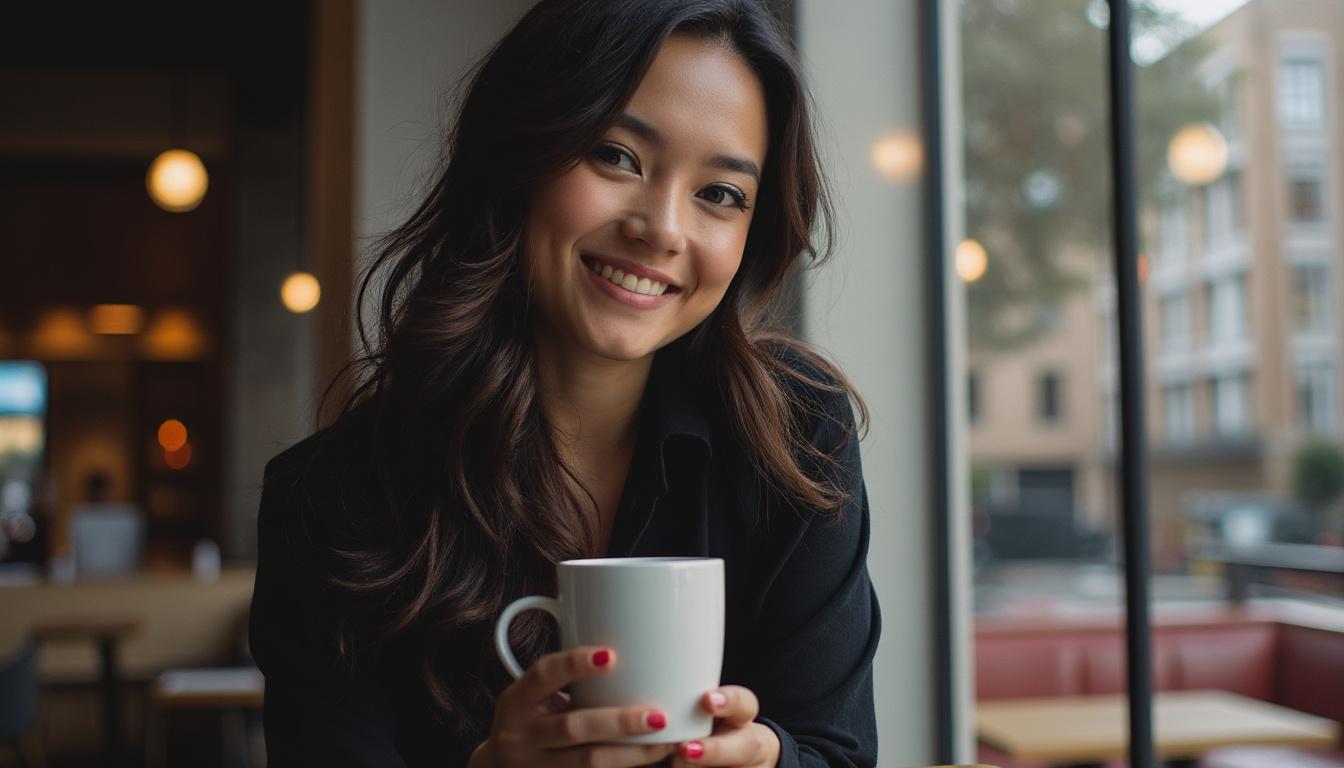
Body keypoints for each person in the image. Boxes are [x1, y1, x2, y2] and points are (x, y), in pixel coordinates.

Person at [248, 1, 880, 766]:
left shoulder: (796, 435)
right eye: (617, 155)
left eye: (720, 194)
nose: (663, 229)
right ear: (520, 154)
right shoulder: (331, 500)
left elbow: (838, 752)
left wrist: (768, 757)